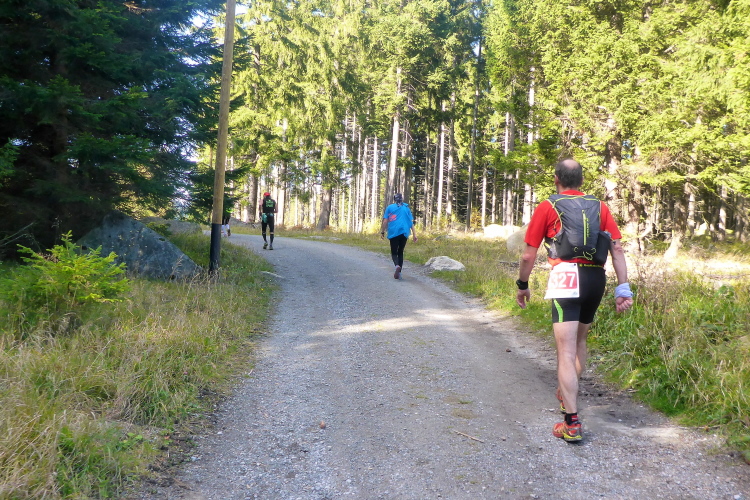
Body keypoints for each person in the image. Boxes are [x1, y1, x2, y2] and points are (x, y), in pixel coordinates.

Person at [516, 158, 633, 443]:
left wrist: (523, 285)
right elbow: (617, 249)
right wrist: (623, 288)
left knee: (565, 352)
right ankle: (566, 394)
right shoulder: (599, 206)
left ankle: (571, 422)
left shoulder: (548, 205)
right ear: (581, 180)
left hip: (566, 277)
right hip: (595, 278)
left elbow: (528, 255)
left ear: (556, 179)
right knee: (580, 343)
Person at [380, 193, 417, 279]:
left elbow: (385, 221)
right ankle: (399, 273)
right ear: (402, 199)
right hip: (404, 232)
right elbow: (410, 223)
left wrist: (382, 232)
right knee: (400, 252)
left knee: (394, 252)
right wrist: (415, 234)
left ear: (394, 199)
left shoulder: (390, 207)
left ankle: (397, 266)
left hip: (394, 232)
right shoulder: (406, 208)